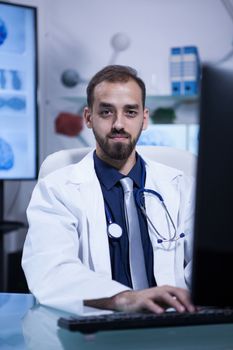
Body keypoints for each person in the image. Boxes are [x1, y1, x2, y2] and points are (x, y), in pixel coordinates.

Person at [22, 65, 195, 315]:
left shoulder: (181, 186)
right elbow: (50, 268)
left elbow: (209, 265)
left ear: (144, 119)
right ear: (88, 117)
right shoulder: (56, 189)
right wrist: (122, 299)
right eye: (106, 112)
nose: (118, 124)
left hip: (172, 323)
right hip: (98, 326)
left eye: (130, 112)